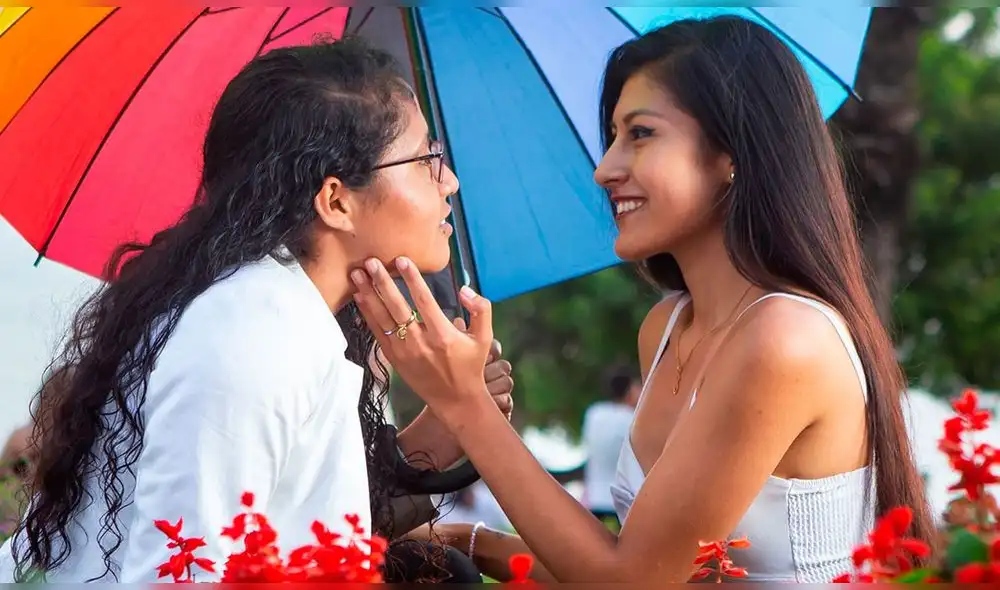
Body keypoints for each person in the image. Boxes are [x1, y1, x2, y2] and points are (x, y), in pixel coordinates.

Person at [351, 15, 935, 583]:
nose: (605, 169)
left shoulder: (785, 339)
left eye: (640, 134)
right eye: (611, 138)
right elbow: (638, 563)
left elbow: (630, 581)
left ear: (731, 153)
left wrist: (465, 404)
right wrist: (471, 542)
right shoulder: (666, 328)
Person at [0, 37, 512, 583]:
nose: (449, 181)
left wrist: (441, 431)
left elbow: (291, 528)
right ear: (336, 201)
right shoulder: (253, 337)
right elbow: (181, 575)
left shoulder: (284, 316)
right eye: (426, 158)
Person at [581, 365, 638, 525]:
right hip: (623, 503)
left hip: (595, 497)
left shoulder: (594, 413)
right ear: (630, 390)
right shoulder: (632, 418)